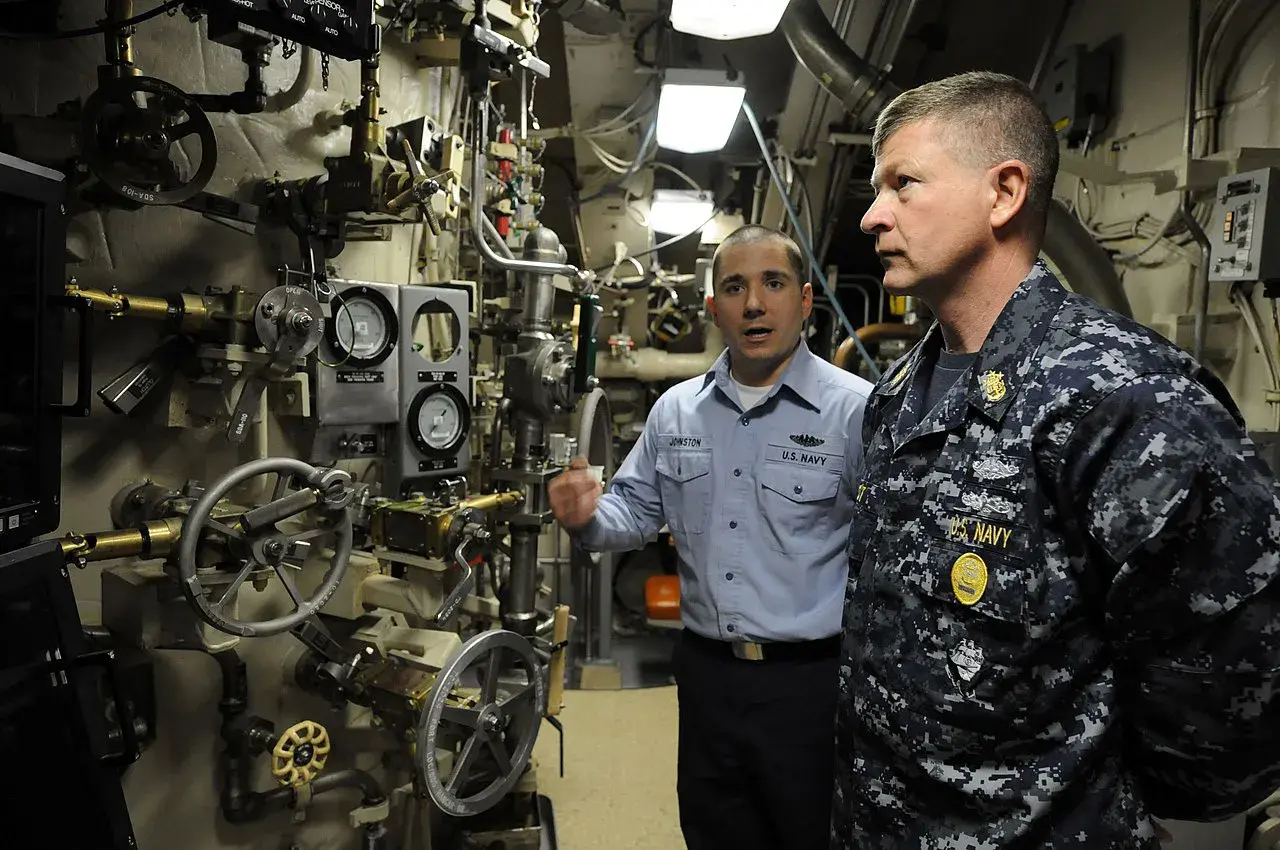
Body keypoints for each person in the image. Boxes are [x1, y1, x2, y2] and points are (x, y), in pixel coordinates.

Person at [832, 68, 1280, 849]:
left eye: (904, 184)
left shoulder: (1129, 400)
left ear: (1004, 192)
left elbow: (1231, 701)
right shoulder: (898, 392)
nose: (873, 216)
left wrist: (1101, 806)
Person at [549, 224, 872, 850]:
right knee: (712, 831)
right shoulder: (677, 411)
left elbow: (891, 551)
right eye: (734, 287)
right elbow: (635, 511)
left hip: (809, 683)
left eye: (773, 283)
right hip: (706, 676)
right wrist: (585, 517)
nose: (754, 303)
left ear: (805, 301)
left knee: (808, 835)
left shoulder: (856, 410)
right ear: (712, 309)